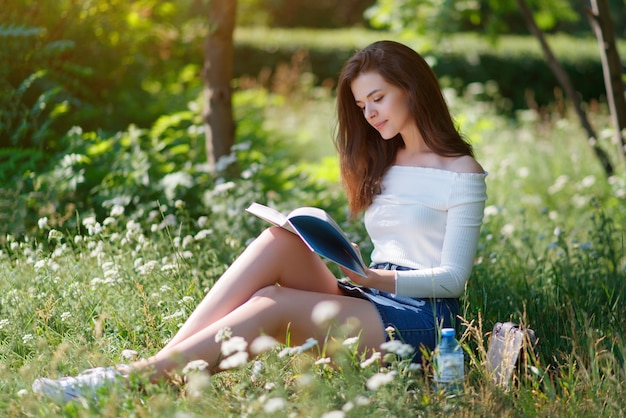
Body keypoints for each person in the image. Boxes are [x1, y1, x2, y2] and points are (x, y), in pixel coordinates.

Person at [32, 40, 487, 402]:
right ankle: (161, 362)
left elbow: (452, 281)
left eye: (377, 98)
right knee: (279, 240)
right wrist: (345, 260)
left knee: (274, 303)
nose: (369, 114)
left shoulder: (462, 173)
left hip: (425, 323)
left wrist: (372, 277)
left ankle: (130, 381)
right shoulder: (386, 160)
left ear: (411, 87)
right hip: (370, 296)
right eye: (361, 105)